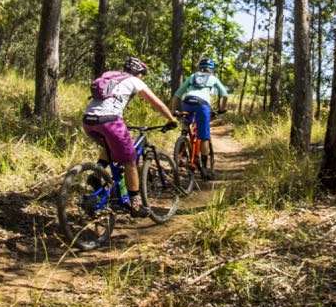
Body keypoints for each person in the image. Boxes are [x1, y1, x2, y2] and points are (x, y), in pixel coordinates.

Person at [82, 57, 176, 216]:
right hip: (110, 120)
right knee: (130, 160)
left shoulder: (109, 74)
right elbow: (156, 103)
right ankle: (136, 203)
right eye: (142, 75)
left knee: (109, 146)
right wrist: (171, 119)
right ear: (139, 73)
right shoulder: (134, 81)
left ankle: (96, 175)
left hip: (88, 120)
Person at [171, 57, 229, 168]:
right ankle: (204, 168)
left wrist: (173, 111)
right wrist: (221, 109)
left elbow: (177, 95)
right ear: (212, 69)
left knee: (185, 127)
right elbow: (225, 95)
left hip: (187, 102)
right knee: (204, 137)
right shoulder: (213, 78)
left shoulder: (192, 76)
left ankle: (181, 154)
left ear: (200, 68)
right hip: (202, 104)